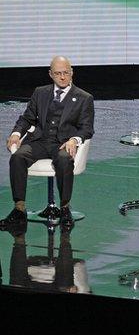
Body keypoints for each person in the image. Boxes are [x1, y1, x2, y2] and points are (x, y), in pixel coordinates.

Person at [0, 56, 95, 233]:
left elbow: (87, 128)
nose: (63, 77)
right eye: (58, 73)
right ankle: (19, 210)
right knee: (18, 157)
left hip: (63, 144)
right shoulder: (40, 92)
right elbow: (27, 118)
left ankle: (65, 209)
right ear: (50, 74)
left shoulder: (84, 98)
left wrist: (74, 140)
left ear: (72, 72)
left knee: (64, 159)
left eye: (66, 72)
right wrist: (15, 134)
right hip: (40, 141)